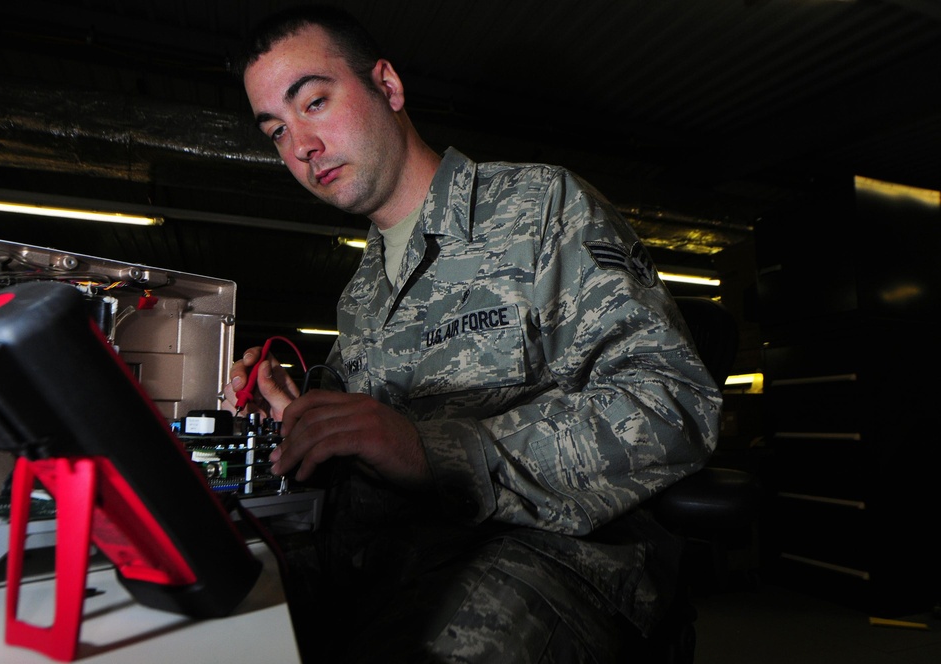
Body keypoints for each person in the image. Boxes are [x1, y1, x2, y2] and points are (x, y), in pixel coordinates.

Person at [223, 6, 722, 663]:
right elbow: (367, 457)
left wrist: (442, 452)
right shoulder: (362, 294)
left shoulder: (541, 208)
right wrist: (295, 414)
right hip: (390, 562)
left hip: (550, 558)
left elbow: (674, 407)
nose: (301, 148)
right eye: (277, 133)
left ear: (389, 87)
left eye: (314, 102)